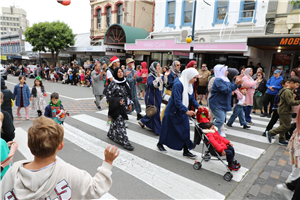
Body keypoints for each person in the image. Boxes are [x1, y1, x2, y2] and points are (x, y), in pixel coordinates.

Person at [0, 116, 119, 199]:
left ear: (29, 145)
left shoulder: (12, 172)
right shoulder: (69, 173)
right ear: (61, 145)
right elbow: (95, 188)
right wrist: (107, 162)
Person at [157, 68, 201, 158]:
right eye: (194, 78)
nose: (195, 80)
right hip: (173, 110)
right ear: (189, 76)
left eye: (196, 78)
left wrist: (199, 106)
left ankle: (186, 150)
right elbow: (177, 101)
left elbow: (192, 98)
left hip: (183, 110)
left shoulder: (189, 85)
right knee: (167, 129)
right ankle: (160, 143)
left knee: (185, 130)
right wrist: (187, 111)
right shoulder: (178, 84)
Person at [209, 65, 243, 137]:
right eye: (226, 70)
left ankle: (216, 135)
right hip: (217, 103)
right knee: (220, 120)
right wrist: (235, 83)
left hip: (223, 103)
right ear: (221, 71)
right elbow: (225, 90)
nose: (227, 72)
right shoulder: (218, 80)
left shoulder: (225, 79)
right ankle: (209, 129)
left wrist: (236, 84)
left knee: (221, 121)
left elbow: (230, 89)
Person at [266, 76, 300, 146]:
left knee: (283, 125)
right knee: (286, 126)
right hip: (285, 111)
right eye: (296, 85)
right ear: (292, 83)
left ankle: (281, 139)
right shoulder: (288, 91)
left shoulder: (288, 90)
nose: (297, 86)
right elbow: (290, 102)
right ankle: (271, 133)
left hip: (283, 110)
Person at [106, 67, 134, 151]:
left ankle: (111, 133)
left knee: (116, 121)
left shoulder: (125, 82)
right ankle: (125, 142)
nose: (121, 73)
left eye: (121, 71)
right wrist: (117, 101)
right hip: (116, 107)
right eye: (118, 72)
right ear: (115, 74)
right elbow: (108, 97)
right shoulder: (113, 84)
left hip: (124, 106)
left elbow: (129, 94)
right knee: (120, 123)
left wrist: (130, 104)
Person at [138, 62, 170, 135]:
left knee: (154, 111)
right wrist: (158, 78)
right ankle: (158, 130)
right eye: (157, 66)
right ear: (153, 68)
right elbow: (151, 85)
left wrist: (165, 76)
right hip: (151, 96)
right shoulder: (151, 75)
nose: (159, 67)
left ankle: (143, 121)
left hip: (158, 96)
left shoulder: (161, 75)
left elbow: (163, 85)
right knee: (155, 112)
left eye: (159, 66)